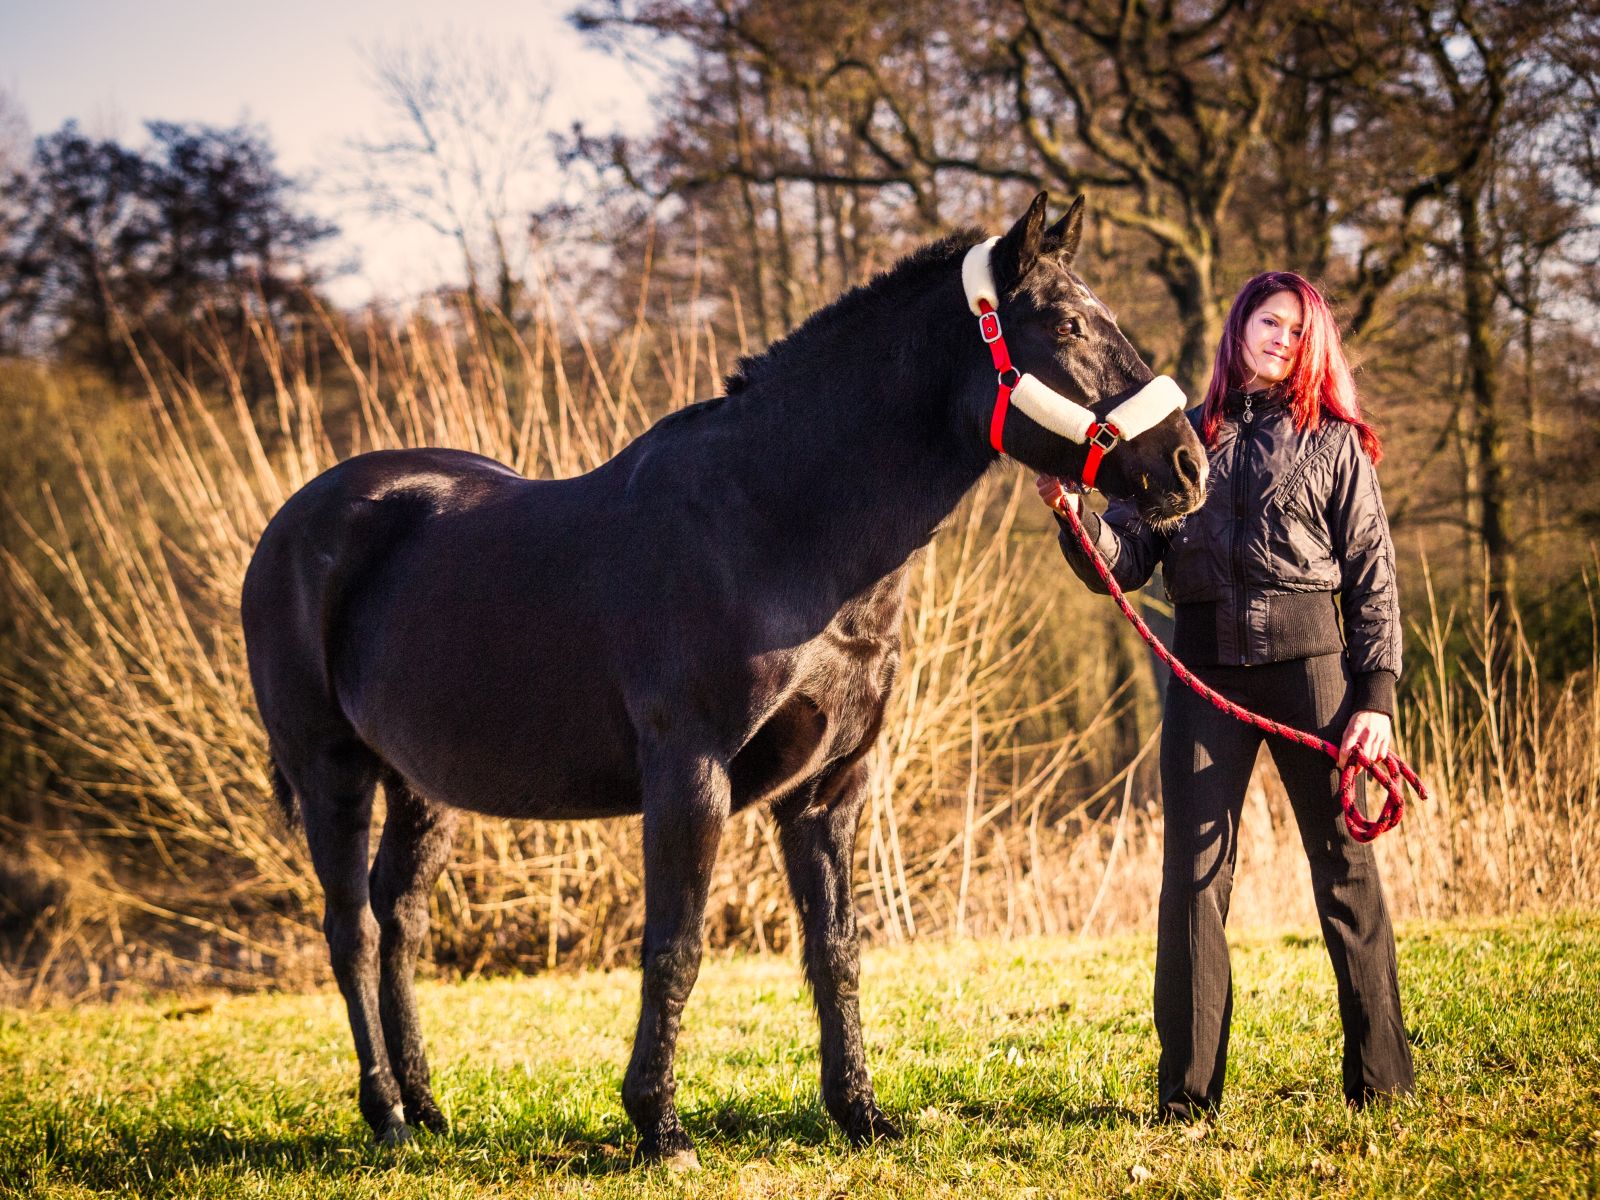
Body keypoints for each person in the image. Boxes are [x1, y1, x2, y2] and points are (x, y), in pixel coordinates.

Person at [1039, 271, 1414, 1119]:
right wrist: (1076, 517)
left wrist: (1376, 700)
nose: (1281, 338)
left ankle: (1383, 1082)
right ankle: (1187, 1097)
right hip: (1203, 674)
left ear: (1311, 346)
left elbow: (1374, 579)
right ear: (1239, 327)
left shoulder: (1334, 443)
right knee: (1193, 881)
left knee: (1345, 869)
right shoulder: (1185, 437)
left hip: (1314, 671)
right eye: (1269, 321)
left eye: (1297, 330)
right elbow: (1123, 561)